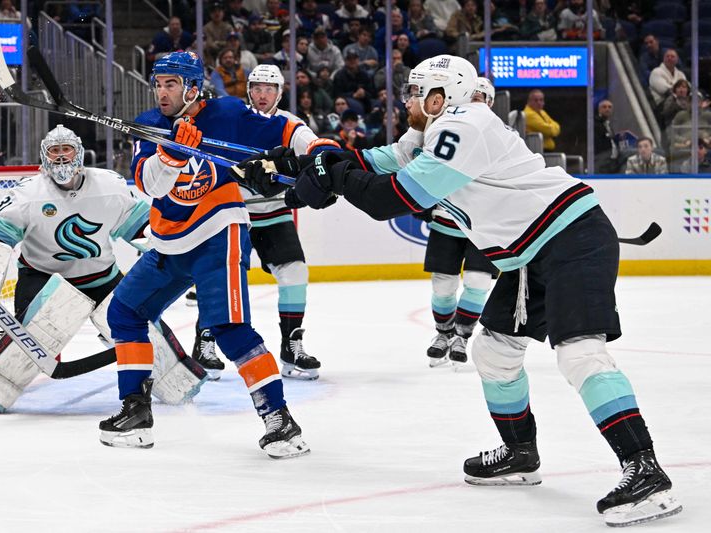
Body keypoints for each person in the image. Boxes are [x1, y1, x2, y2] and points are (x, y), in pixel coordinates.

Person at [241, 54, 682, 527]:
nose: (406, 100)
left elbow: (388, 198)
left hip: (571, 238)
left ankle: (645, 470)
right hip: (532, 251)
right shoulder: (431, 132)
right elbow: (367, 163)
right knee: (493, 353)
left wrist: (333, 177)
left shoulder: (465, 125)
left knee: (580, 354)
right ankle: (520, 453)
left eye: (415, 92)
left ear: (439, 97)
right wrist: (293, 163)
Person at [101, 51, 310, 458]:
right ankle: (135, 412)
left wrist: (314, 146)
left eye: (171, 84)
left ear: (193, 88)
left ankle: (280, 420)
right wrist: (173, 154)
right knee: (124, 313)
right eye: (158, 84)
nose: (162, 92)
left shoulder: (228, 112)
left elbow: (279, 128)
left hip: (218, 233)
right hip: (168, 241)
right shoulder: (150, 124)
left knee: (230, 330)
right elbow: (151, 185)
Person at [0, 125, 153, 411]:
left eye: (67, 150)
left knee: (142, 333)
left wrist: (168, 256)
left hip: (102, 279)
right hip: (42, 278)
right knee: (28, 342)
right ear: (44, 157)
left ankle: (167, 379)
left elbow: (144, 228)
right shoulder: (28, 194)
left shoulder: (110, 185)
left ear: (80, 154)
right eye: (55, 151)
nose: (62, 157)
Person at [191, 64, 339, 382]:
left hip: (274, 213)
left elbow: (313, 148)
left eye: (269, 89)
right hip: (233, 214)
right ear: (248, 91)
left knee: (295, 271)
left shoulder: (289, 125)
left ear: (280, 93)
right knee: (220, 278)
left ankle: (292, 344)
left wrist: (328, 163)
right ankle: (205, 343)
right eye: (257, 88)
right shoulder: (233, 121)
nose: (262, 95)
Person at [419, 76, 498, 367]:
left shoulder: (501, 134)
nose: (476, 102)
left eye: (481, 98)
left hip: (484, 226)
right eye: (472, 97)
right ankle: (443, 333)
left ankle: (462, 336)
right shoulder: (444, 128)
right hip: (446, 221)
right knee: (443, 284)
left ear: (490, 103)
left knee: (478, 281)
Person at [595, 99, 620, 174]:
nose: (607, 109)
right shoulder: (595, 123)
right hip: (601, 159)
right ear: (599, 109)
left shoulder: (610, 123)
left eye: (609, 107)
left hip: (613, 159)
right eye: (604, 107)